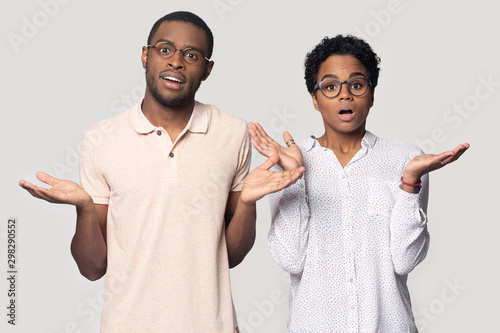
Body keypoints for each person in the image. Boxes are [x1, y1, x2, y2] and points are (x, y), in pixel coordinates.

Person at [19, 11, 304, 333]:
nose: (176, 62)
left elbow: (230, 256)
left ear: (207, 70)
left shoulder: (232, 133)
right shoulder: (101, 138)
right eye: (165, 49)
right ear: (145, 55)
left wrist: (248, 204)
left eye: (191, 55)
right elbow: (92, 267)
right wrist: (84, 207)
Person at [248, 35, 469, 332]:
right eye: (330, 86)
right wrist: (294, 176)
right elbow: (290, 259)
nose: (344, 95)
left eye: (356, 84)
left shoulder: (406, 160)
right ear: (314, 99)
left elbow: (405, 260)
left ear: (372, 94)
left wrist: (409, 183)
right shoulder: (290, 162)